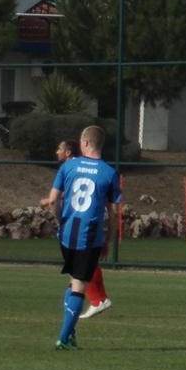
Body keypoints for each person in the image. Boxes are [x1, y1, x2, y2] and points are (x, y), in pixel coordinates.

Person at [42, 126, 122, 350]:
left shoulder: (69, 166)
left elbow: (52, 200)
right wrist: (108, 239)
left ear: (86, 143)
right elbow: (114, 212)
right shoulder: (109, 172)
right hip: (90, 236)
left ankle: (71, 334)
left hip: (67, 233)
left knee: (72, 282)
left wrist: (60, 219)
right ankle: (64, 338)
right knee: (79, 286)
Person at [51, 140, 111, 320]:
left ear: (68, 152)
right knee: (86, 263)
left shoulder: (72, 167)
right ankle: (98, 299)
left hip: (82, 220)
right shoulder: (85, 166)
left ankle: (97, 300)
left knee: (81, 266)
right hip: (88, 217)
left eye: (59, 149)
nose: (56, 152)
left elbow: (65, 196)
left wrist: (52, 206)